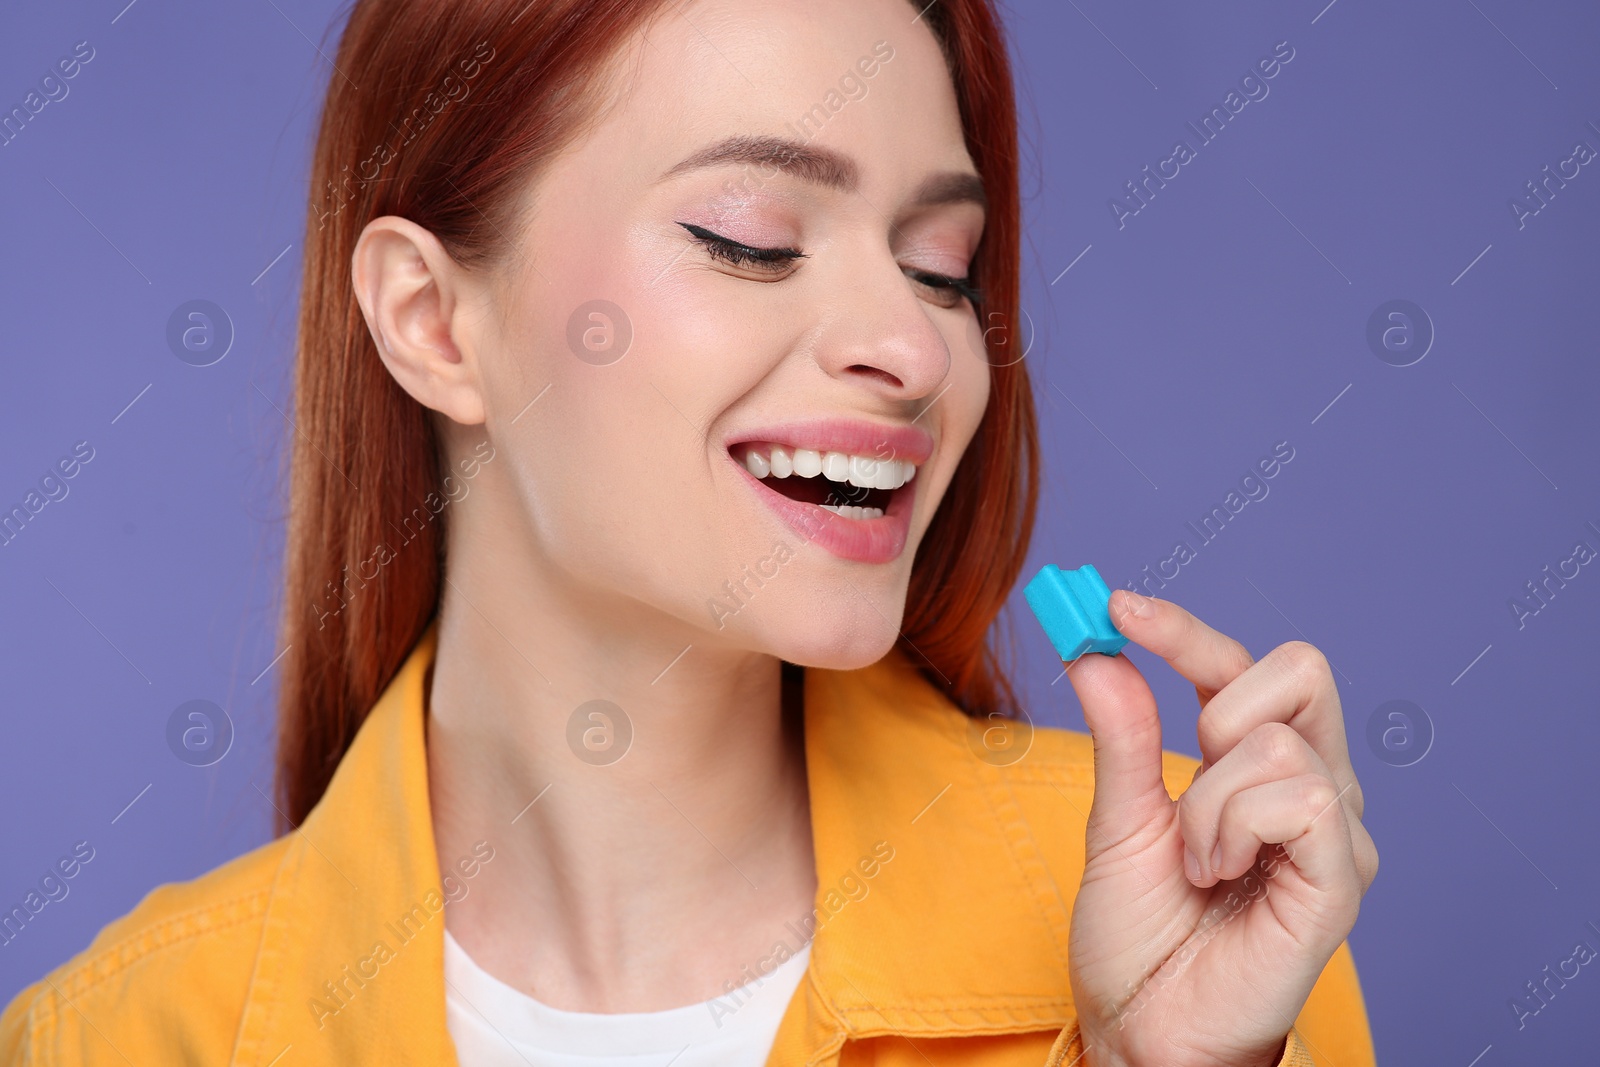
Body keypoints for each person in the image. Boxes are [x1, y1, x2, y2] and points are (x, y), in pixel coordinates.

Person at [0, 0, 1378, 1063]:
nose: (911, 345)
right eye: (750, 237)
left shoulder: (1203, 903)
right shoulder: (111, 1038)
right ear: (432, 319)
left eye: (941, 267)